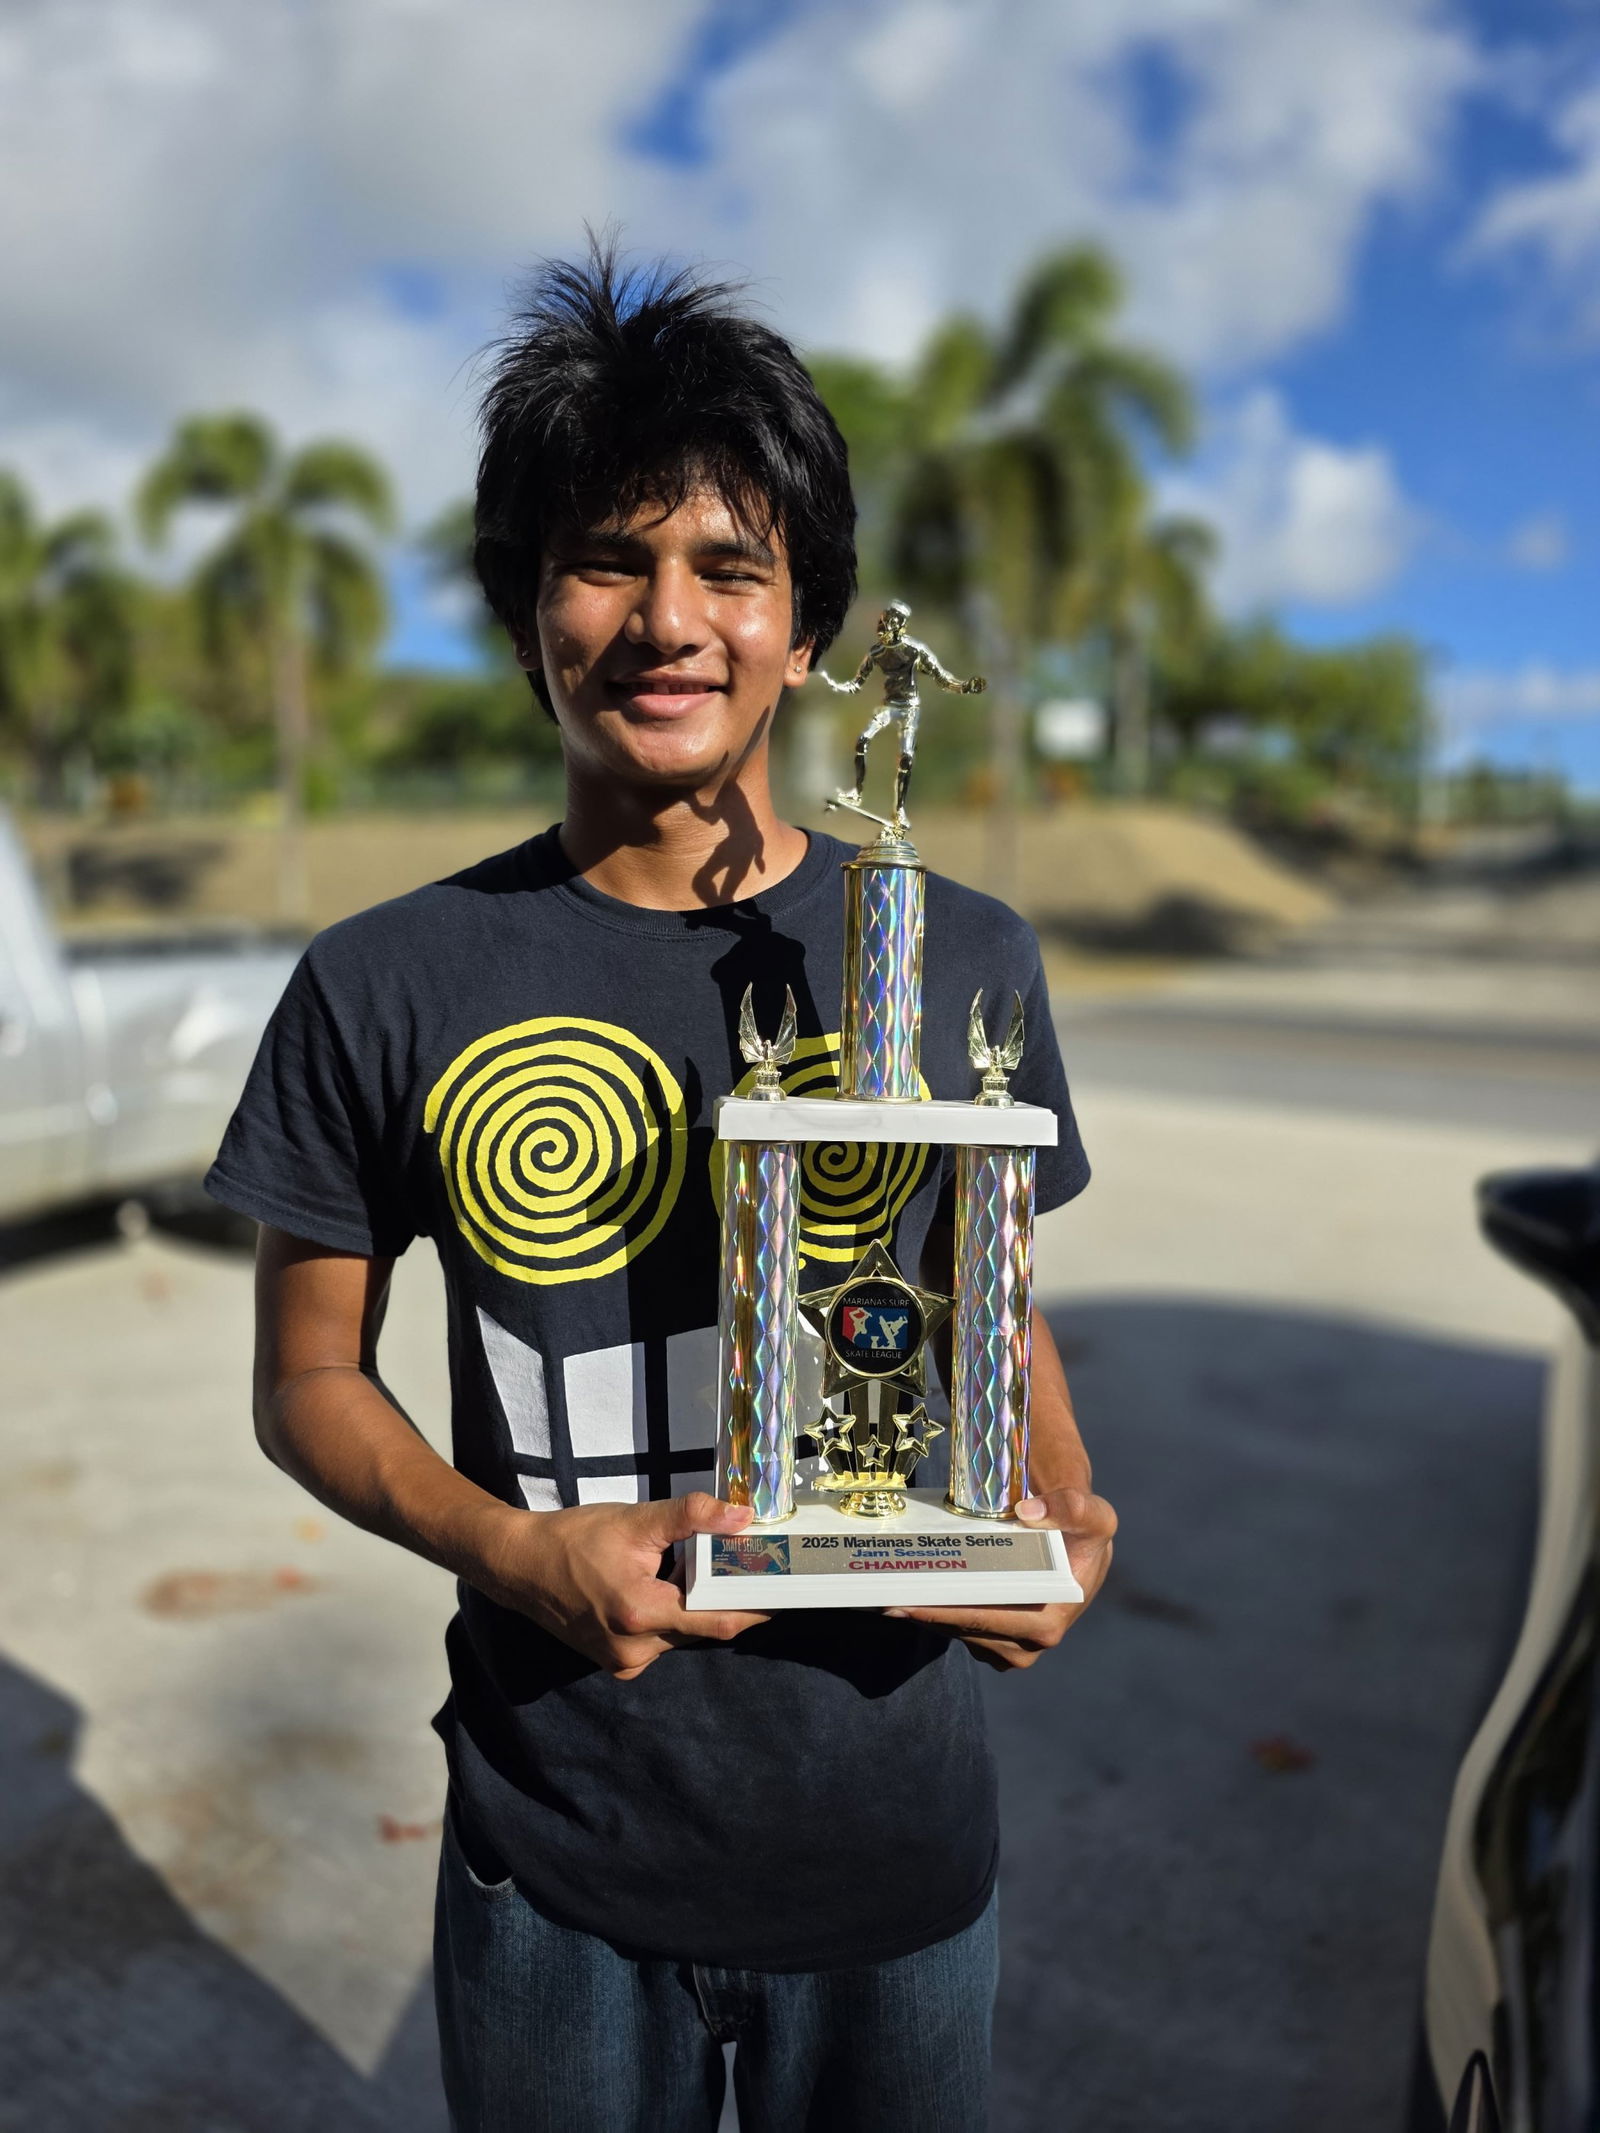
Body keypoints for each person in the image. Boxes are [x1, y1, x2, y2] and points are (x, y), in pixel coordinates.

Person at [206, 242, 1117, 2133]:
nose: (665, 620)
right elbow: (307, 1378)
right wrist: (513, 1550)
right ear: (526, 605)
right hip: (560, 1849)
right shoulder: (388, 981)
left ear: (809, 627)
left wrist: (1069, 1502)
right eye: (607, 559)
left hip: (897, 1851)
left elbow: (997, 1304)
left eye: (730, 569)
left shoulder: (958, 953)